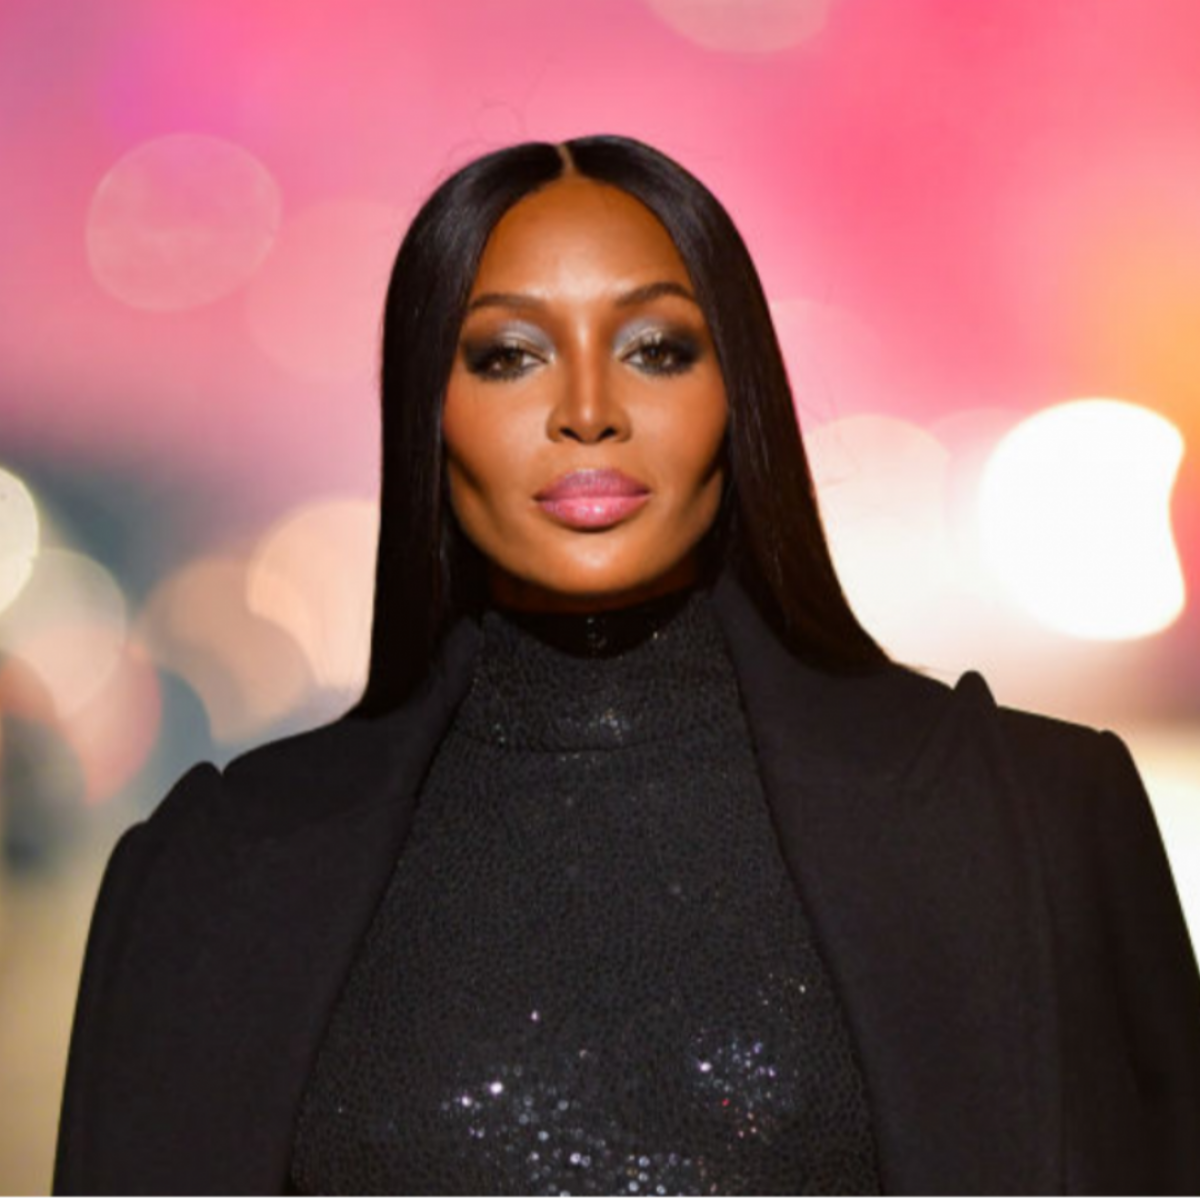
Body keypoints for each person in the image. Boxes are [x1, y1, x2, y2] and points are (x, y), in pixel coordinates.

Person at [52, 134, 1200, 1198]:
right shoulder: (214, 874)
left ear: (736, 390)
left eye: (655, 349)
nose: (589, 412)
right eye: (509, 355)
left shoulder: (1040, 827)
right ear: (425, 407)